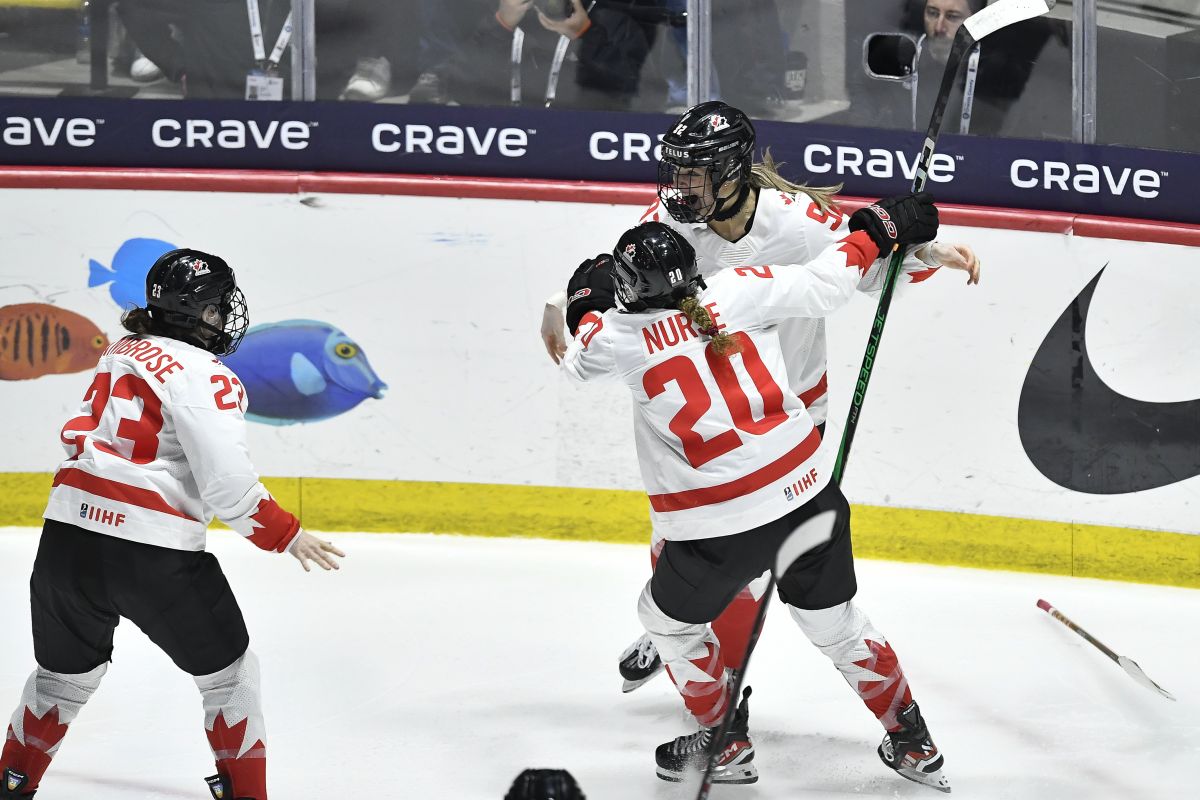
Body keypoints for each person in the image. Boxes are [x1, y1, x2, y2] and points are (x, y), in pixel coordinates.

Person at [541, 100, 980, 693]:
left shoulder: (798, 222)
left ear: (729, 173)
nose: (680, 185)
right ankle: (676, 629)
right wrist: (561, 301)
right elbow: (626, 280)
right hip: (697, 428)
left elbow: (864, 267)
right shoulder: (673, 222)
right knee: (675, 543)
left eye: (694, 172)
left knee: (742, 560)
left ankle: (705, 666)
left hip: (785, 414)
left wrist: (921, 252)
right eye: (677, 171)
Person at [561, 216, 950, 790]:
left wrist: (585, 303)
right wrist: (880, 225)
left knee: (663, 624)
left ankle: (724, 742)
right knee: (838, 626)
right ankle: (914, 742)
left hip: (722, 528)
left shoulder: (619, 339)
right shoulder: (739, 286)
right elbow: (829, 277)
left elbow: (577, 358)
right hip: (812, 496)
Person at [0, 249, 345, 800]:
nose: (225, 316)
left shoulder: (121, 350)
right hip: (152, 554)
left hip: (65, 545)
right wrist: (287, 534)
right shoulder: (208, 374)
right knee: (230, 680)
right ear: (197, 313)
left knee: (60, 682)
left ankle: (12, 784)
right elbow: (228, 486)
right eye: (216, 307)